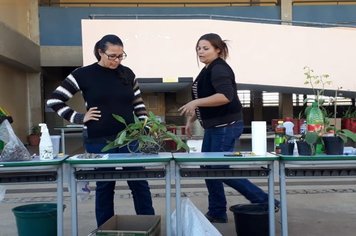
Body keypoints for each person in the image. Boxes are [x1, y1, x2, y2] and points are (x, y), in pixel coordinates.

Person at [47, 34, 155, 226]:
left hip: (130, 138)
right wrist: (80, 117)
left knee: (140, 183)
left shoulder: (128, 73)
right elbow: (54, 100)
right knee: (105, 185)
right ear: (100, 52)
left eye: (120, 56)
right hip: (99, 139)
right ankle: (105, 228)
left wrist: (146, 126)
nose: (117, 60)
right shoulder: (82, 74)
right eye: (112, 56)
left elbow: (138, 104)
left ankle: (149, 225)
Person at [179, 33, 271, 223]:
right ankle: (217, 211)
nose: (200, 52)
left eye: (205, 48)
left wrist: (195, 101)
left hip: (226, 126)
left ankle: (265, 200)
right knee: (208, 168)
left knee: (219, 169)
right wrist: (192, 119)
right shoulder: (207, 69)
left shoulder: (219, 69)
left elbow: (225, 96)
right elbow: (207, 101)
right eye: (198, 48)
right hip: (215, 127)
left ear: (218, 50)